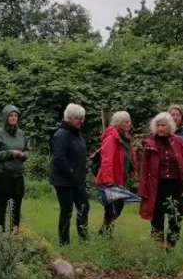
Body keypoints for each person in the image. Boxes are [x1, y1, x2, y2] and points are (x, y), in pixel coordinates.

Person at [139, 112, 183, 249]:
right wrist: (143, 190)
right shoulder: (150, 143)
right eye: (158, 125)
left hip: (175, 185)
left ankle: (171, 246)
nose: (160, 128)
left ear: (170, 127)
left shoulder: (179, 142)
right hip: (157, 185)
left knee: (176, 217)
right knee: (156, 217)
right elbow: (144, 168)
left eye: (163, 125)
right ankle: (157, 247)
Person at [49, 103, 90, 246]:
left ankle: (84, 239)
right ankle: (64, 243)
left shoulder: (76, 132)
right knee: (67, 212)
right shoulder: (62, 134)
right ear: (69, 118)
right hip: (64, 181)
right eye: (79, 118)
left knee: (84, 207)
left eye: (82, 118)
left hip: (78, 180)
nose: (82, 121)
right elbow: (59, 157)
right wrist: (71, 172)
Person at [95, 111, 137, 234]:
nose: (129, 123)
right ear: (118, 123)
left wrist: (132, 170)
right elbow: (106, 161)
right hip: (108, 180)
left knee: (117, 207)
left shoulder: (125, 137)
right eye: (126, 121)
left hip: (120, 179)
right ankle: (104, 232)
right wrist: (109, 182)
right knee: (112, 209)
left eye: (129, 121)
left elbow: (128, 156)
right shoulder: (111, 138)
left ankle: (105, 231)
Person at [0, 104, 27, 230]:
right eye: (11, 116)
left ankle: (14, 234)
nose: (13, 118)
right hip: (2, 175)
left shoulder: (21, 133)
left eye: (15, 116)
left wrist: (23, 155)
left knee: (16, 208)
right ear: (6, 118)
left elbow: (27, 150)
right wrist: (10, 153)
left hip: (17, 175)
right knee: (2, 207)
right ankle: (0, 234)